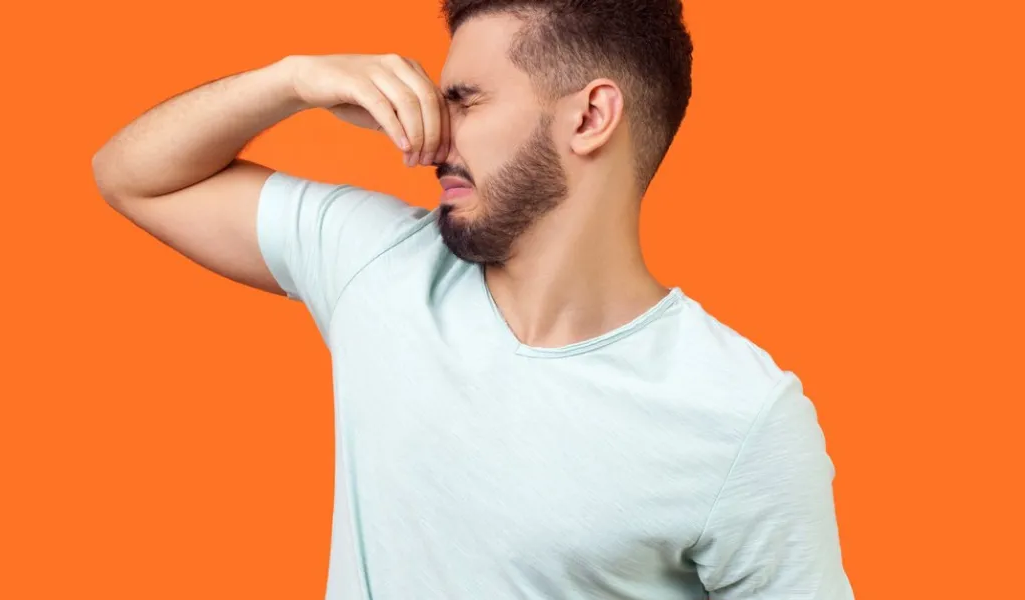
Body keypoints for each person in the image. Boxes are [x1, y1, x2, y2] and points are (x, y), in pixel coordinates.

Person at [91, 1, 854, 598]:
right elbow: (134, 174)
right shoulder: (377, 263)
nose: (427, 138)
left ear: (590, 117)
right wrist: (294, 79)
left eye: (466, 100)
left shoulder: (740, 416)